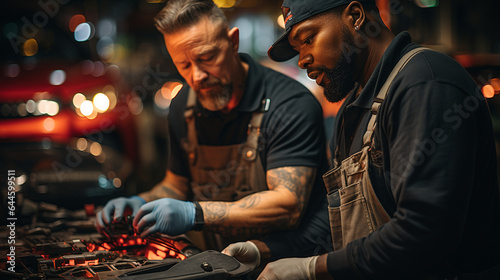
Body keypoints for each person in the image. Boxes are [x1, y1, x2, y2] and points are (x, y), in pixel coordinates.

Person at [223, 0, 500, 279]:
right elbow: (340, 223)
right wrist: (263, 250)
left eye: (308, 40)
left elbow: (424, 231)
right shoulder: (355, 105)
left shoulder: (425, 84)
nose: (302, 60)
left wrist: (313, 269)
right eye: (298, 49)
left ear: (355, 17)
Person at [95, 0, 332, 254]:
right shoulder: (183, 105)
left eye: (207, 58)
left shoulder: (289, 104)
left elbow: (287, 205)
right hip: (216, 263)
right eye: (184, 65)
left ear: (233, 42)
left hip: (282, 262)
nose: (197, 76)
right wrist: (142, 203)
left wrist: (193, 213)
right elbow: (176, 186)